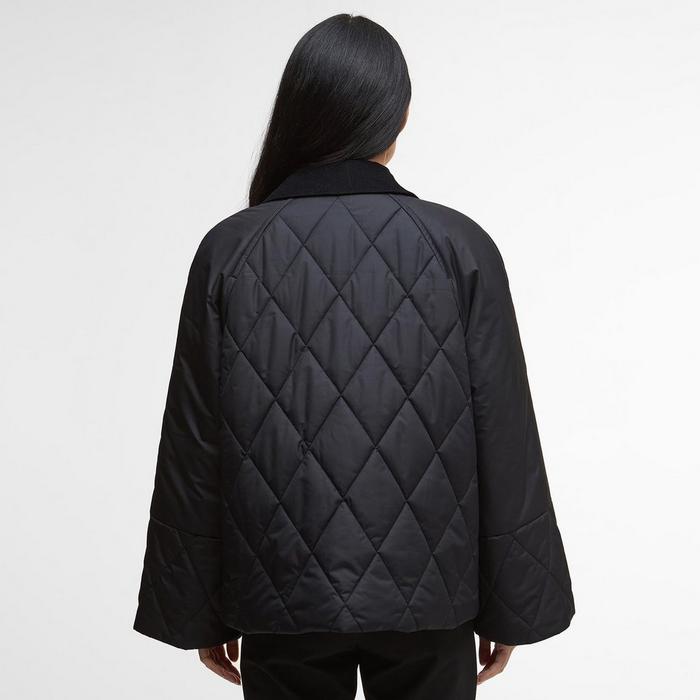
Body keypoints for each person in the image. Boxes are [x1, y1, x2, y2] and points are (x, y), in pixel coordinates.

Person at [133, 13, 574, 699]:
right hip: (434, 598)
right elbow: (505, 435)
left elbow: (195, 444)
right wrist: (512, 603)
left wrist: (197, 606)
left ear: (299, 111)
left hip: (279, 598)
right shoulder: (459, 246)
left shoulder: (231, 250)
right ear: (398, 116)